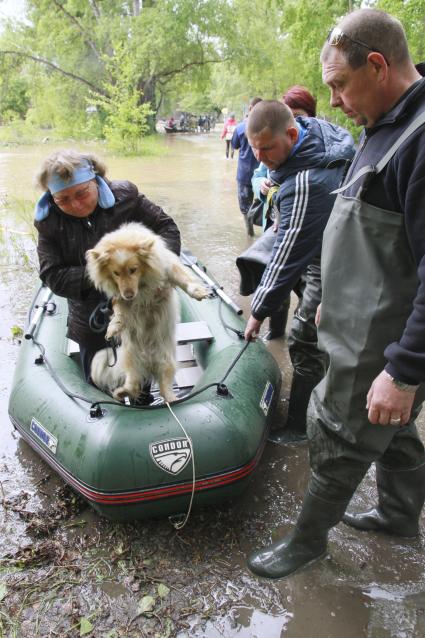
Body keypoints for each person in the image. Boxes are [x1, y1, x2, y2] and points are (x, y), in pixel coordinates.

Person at [247, 8, 425, 581]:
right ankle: (400, 515)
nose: (335, 101)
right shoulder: (381, 126)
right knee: (391, 429)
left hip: (386, 338)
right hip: (354, 319)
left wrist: (403, 370)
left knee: (337, 431)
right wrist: (328, 295)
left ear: (378, 65)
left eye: (339, 85)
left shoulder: (419, 139)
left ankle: (306, 542)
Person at [243, 100, 354, 443]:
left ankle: (300, 428)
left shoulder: (306, 181)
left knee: (304, 336)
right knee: (319, 330)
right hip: (337, 244)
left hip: (333, 258)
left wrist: (257, 311)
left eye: (266, 148)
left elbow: (286, 256)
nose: (259, 158)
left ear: (291, 134)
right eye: (253, 149)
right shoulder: (318, 132)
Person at [34, 149, 181, 399]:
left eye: (82, 193)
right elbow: (53, 275)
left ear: (96, 180)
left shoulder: (126, 198)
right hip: (91, 319)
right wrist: (108, 279)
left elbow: (167, 229)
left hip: (141, 311)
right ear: (52, 197)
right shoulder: (49, 223)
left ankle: (142, 404)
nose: (76, 205)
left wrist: (154, 269)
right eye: (64, 199)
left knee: (140, 380)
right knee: (97, 385)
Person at [250, 86, 318, 340]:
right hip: (275, 225)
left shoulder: (310, 155)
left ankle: (302, 327)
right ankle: (275, 333)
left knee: (300, 284)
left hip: (303, 234)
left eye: (299, 114)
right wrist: (262, 187)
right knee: (276, 282)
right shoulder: (270, 149)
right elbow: (257, 177)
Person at [231, 97, 262, 237]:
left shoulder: (240, 128)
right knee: (266, 203)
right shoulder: (269, 127)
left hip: (244, 174)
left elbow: (234, 145)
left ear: (250, 108)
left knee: (245, 207)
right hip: (264, 174)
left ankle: (250, 235)